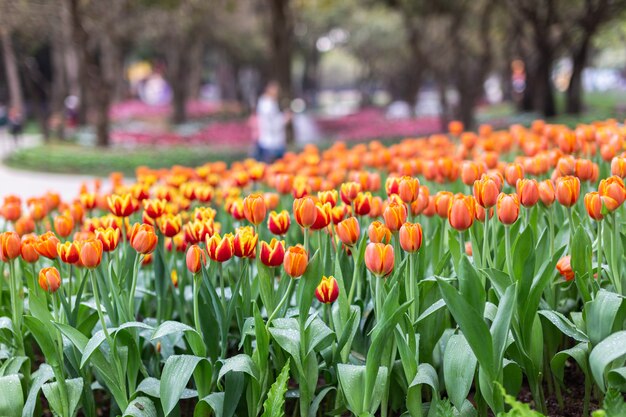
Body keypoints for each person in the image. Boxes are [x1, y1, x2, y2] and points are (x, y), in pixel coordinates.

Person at [255, 81, 290, 163]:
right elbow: (272, 125)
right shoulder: (268, 105)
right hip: (272, 143)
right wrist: (285, 119)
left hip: (268, 142)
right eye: (276, 90)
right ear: (269, 89)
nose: (277, 93)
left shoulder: (265, 102)